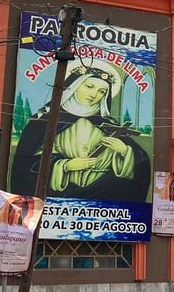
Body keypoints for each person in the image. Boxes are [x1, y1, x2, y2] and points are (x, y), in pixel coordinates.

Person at [10, 62, 151, 201]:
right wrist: (65, 166)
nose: (94, 94)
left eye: (102, 91)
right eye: (89, 86)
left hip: (104, 192)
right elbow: (27, 162)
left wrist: (125, 151)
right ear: (74, 86)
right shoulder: (46, 120)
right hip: (59, 195)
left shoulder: (108, 124)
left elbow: (142, 163)